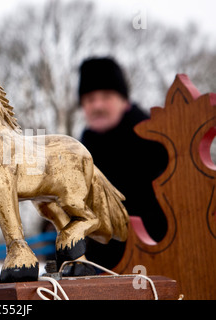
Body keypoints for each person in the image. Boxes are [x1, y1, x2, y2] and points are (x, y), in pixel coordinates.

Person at [77, 57, 169, 269]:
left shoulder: (155, 141)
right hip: (100, 269)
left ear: (124, 100)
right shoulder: (81, 150)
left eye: (106, 96)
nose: (97, 105)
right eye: (90, 99)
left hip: (157, 262)